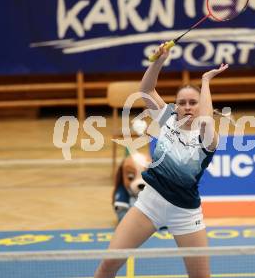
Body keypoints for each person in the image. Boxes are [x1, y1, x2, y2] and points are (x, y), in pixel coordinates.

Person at [94, 44, 228, 278]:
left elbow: (206, 120)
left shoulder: (207, 138)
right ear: (175, 106)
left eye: (193, 102)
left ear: (202, 105)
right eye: (182, 102)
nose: (187, 107)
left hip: (185, 211)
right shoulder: (167, 118)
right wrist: (159, 60)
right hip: (149, 203)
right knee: (107, 266)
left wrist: (206, 81)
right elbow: (145, 89)